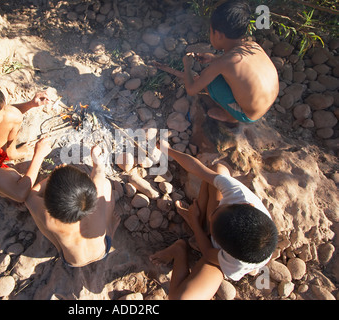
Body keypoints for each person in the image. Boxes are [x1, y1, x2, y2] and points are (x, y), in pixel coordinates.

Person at [150, 139, 278, 299]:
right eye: (217, 210)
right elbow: (198, 168)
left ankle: (180, 248)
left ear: (221, 246)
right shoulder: (238, 195)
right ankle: (201, 225)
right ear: (247, 205)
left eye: (213, 216)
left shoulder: (237, 263)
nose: (212, 214)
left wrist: (196, 224)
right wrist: (169, 150)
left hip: (218, 259)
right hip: (231, 238)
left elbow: (209, 253)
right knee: (218, 169)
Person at [155, 0, 278, 123]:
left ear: (218, 34)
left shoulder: (223, 64)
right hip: (266, 104)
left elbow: (191, 90)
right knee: (218, 75)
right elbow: (242, 67)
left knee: (212, 83)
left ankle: (231, 117)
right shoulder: (252, 45)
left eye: (210, 31)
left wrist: (187, 67)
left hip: (249, 115)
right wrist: (214, 58)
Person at [25, 145, 120, 267]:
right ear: (90, 189)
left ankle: (58, 248)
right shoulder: (98, 200)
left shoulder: (50, 220)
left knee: (37, 214)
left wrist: (51, 177)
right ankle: (110, 228)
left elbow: (29, 197)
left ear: (50, 205)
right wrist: (96, 157)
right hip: (103, 250)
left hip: (72, 262)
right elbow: (99, 171)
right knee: (105, 183)